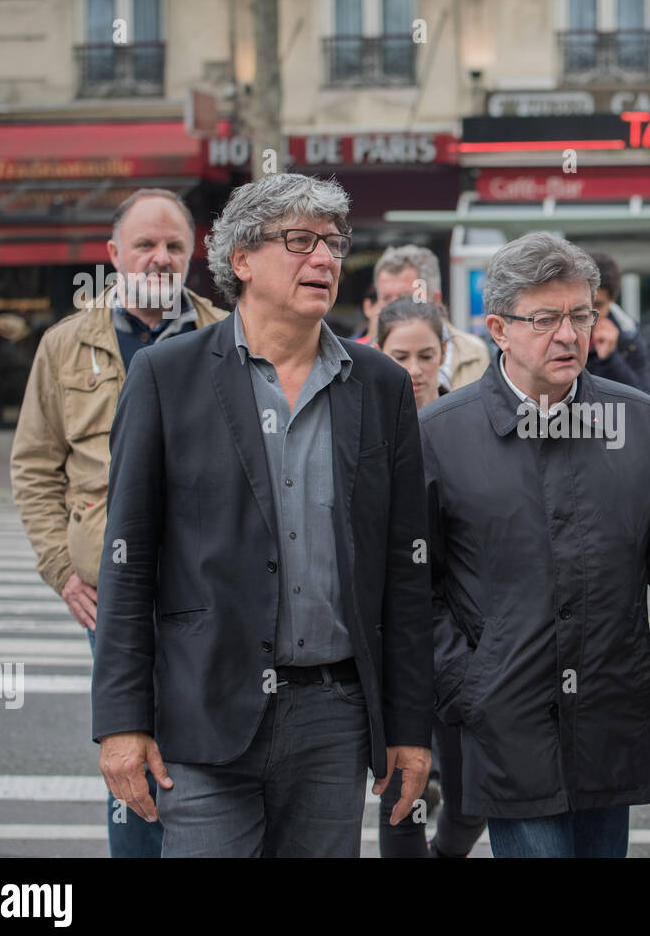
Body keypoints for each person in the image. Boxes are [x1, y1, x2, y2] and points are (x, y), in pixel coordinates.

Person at [91, 173, 434, 857]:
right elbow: (126, 563)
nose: (324, 259)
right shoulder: (167, 376)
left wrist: (410, 726)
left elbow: (405, 571)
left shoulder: (380, 386)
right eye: (300, 241)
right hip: (205, 707)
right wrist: (121, 723)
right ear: (240, 259)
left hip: (333, 716)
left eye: (334, 244)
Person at [419, 232, 650, 858]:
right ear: (499, 329)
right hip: (504, 718)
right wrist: (468, 685)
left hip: (608, 714)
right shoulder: (439, 436)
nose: (569, 334)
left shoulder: (639, 424)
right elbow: (408, 586)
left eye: (582, 315)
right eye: (545, 319)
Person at [9, 187, 228, 858]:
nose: (160, 258)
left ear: (191, 258)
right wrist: (59, 568)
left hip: (210, 588)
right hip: (113, 592)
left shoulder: (228, 336)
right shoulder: (65, 346)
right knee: (129, 744)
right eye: (145, 245)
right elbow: (34, 465)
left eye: (174, 247)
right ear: (112, 256)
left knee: (209, 743)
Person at [372, 297, 489, 859]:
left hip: (461, 635)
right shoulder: (365, 423)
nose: (413, 369)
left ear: (445, 355)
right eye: (400, 355)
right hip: (391, 635)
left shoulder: (468, 425)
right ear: (378, 352)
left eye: (425, 355)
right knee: (401, 790)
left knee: (472, 797)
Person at [373, 245, 489, 390]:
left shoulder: (475, 352)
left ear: (435, 298)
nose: (396, 308)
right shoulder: (360, 357)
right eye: (386, 298)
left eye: (407, 298)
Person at [585, 250, 650, 398]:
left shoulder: (629, 338)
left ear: (612, 301)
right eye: (583, 305)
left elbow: (646, 402)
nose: (589, 313)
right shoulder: (560, 334)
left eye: (598, 304)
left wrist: (610, 358)